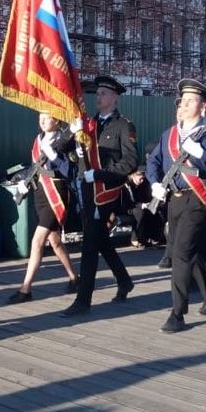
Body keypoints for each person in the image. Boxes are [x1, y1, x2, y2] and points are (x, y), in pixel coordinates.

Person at [147, 79, 206, 333]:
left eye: (190, 101)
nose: (184, 104)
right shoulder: (170, 134)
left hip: (198, 199)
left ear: (202, 106)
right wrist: (155, 183)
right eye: (182, 101)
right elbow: (154, 161)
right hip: (174, 200)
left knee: (180, 255)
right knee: (188, 254)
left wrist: (201, 153)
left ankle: (177, 313)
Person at [57, 75, 137, 317]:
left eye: (103, 93)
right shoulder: (88, 124)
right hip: (86, 190)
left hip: (106, 191)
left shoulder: (124, 125)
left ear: (114, 98)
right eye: (98, 93)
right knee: (100, 238)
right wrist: (71, 131)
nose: (98, 96)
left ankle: (83, 300)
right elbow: (62, 148)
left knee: (90, 243)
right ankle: (124, 281)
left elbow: (130, 163)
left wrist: (100, 174)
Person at [7, 114, 79, 304]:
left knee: (37, 241)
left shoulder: (66, 140)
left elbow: (70, 172)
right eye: (40, 117)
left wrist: (55, 156)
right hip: (40, 191)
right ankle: (74, 277)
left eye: (47, 117)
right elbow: (35, 166)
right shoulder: (38, 139)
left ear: (57, 120)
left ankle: (25, 289)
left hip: (56, 192)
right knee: (55, 241)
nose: (42, 120)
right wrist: (25, 181)